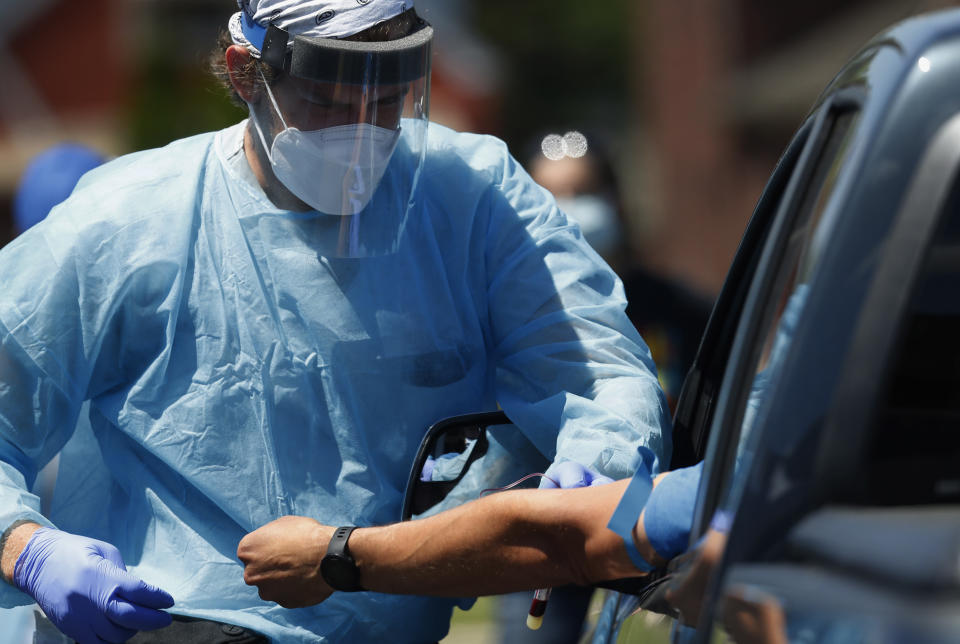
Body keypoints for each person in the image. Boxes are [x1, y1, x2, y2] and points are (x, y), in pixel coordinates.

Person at [0, 1, 670, 642]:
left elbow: (598, 366)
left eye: (385, 100)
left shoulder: (472, 199)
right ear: (244, 72)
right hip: (173, 626)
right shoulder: (126, 224)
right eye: (328, 102)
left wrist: (597, 463)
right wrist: (27, 548)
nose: (361, 132)